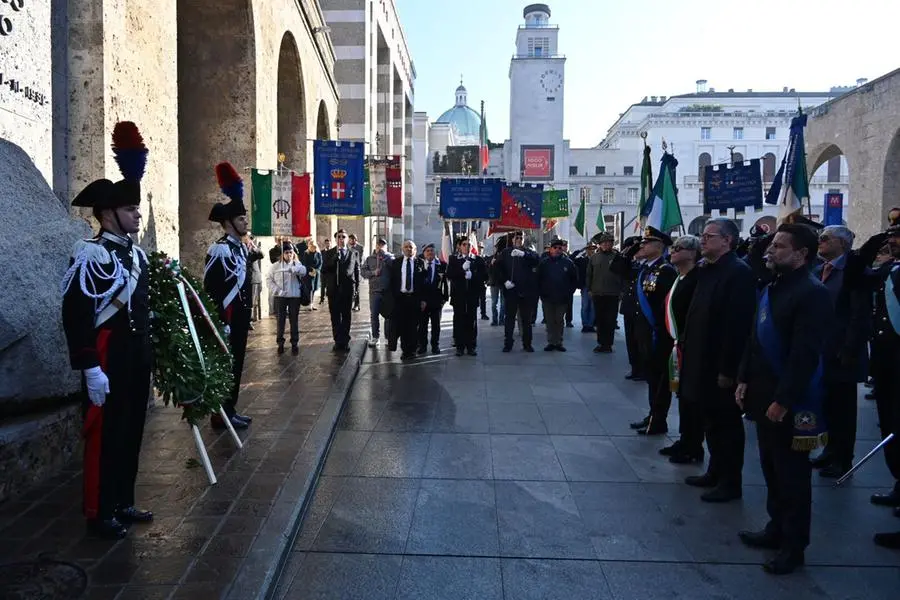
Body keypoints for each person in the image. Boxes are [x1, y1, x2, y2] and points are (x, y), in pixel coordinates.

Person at [61, 121, 153, 539]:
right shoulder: (90, 254)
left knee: (131, 429)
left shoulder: (137, 257)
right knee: (105, 435)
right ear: (107, 214)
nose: (138, 215)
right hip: (107, 354)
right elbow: (77, 313)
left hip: (134, 356)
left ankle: (122, 499)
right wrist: (89, 366)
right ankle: (99, 511)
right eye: (131, 210)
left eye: (137, 209)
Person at [736, 223, 832, 575]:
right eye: (772, 245)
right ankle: (775, 527)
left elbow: (804, 355)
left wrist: (784, 399)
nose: (770, 251)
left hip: (789, 399)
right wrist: (744, 377)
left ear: (801, 254)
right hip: (762, 392)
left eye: (779, 246)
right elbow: (755, 338)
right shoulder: (774, 285)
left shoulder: (812, 293)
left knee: (792, 476)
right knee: (770, 467)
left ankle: (794, 545)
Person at [680, 217, 757, 503]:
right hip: (699, 358)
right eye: (702, 235)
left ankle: (730, 481)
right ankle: (714, 470)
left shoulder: (738, 273)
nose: (703, 240)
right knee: (710, 420)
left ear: (727, 240)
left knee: (726, 425)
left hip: (719, 364)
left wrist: (728, 370)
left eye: (710, 236)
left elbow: (737, 326)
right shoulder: (707, 270)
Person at [808, 226, 870, 478]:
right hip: (822, 350)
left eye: (825, 239)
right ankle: (830, 450)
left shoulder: (854, 272)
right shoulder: (819, 270)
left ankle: (843, 458)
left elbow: (859, 316)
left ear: (842, 244)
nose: (820, 242)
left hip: (842, 351)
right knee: (827, 404)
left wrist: (849, 349)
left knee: (843, 408)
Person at [204, 162, 262, 431]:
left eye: (245, 218)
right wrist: (220, 320)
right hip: (226, 318)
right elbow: (213, 287)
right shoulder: (220, 250)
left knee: (236, 365)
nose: (245, 222)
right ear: (227, 223)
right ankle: (221, 413)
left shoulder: (239, 249)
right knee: (226, 365)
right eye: (241, 219)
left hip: (239, 318)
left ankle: (230, 409)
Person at [857, 225, 900, 545]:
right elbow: (857, 276)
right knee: (891, 425)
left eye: (898, 236)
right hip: (887, 366)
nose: (893, 241)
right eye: (892, 235)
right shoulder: (889, 269)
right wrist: (873, 243)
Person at [659, 235, 704, 464]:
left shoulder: (697, 279)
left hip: (690, 345)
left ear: (692, 253)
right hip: (678, 343)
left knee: (691, 397)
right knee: (682, 395)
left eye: (679, 248)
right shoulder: (681, 277)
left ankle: (693, 445)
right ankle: (686, 439)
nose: (673, 251)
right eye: (673, 247)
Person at [631, 227, 678, 435]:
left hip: (657, 333)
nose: (642, 246)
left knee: (659, 380)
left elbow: (665, 305)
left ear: (658, 247)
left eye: (646, 243)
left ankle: (659, 420)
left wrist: (659, 329)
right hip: (645, 330)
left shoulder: (665, 271)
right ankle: (652, 415)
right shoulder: (647, 269)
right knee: (651, 377)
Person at [497, 231, 540, 352]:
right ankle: (508, 343)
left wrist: (523, 254)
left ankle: (527, 344)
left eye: (521, 237)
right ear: (512, 239)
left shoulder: (528, 252)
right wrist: (504, 281)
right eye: (517, 237)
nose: (519, 239)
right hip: (511, 291)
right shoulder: (505, 253)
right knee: (509, 319)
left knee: (526, 320)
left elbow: (537, 260)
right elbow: (497, 269)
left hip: (525, 292)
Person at [447, 235, 487, 356]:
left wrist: (473, 275)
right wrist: (461, 270)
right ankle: (459, 346)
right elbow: (449, 275)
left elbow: (484, 276)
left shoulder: (478, 260)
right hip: (458, 296)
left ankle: (471, 345)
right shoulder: (454, 259)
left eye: (469, 245)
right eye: (464, 244)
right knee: (458, 321)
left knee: (471, 321)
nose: (467, 247)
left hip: (471, 296)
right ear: (459, 246)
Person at [587, 232, 626, 353]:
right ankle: (601, 342)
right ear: (600, 244)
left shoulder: (617, 257)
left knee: (610, 320)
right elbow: (589, 274)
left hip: (613, 293)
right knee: (600, 320)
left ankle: (608, 344)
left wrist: (622, 290)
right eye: (604, 243)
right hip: (598, 293)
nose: (606, 245)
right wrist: (589, 289)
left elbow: (623, 275)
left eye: (609, 242)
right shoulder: (594, 257)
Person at [321, 229, 359, 351]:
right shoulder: (329, 253)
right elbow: (324, 270)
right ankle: (338, 340)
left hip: (347, 290)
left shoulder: (353, 253)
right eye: (339, 237)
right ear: (335, 239)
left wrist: (356, 289)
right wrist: (333, 260)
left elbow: (355, 271)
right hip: (333, 290)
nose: (341, 239)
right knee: (335, 316)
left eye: (343, 237)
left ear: (347, 239)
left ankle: (345, 340)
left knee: (346, 316)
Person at [267, 240, 308, 355]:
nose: (289, 255)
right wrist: (278, 291)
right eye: (286, 252)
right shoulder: (275, 266)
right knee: (280, 320)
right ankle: (280, 342)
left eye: (291, 252)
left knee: (294, 320)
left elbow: (304, 271)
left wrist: (294, 269)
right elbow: (269, 280)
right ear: (282, 254)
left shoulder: (297, 264)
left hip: (294, 296)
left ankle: (294, 342)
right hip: (281, 297)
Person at [538, 239, 578, 351]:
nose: (557, 250)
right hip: (548, 297)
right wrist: (541, 293)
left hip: (562, 298)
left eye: (559, 248)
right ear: (550, 249)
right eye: (554, 247)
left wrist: (569, 292)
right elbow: (538, 279)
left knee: (559, 320)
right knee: (550, 321)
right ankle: (551, 341)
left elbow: (574, 280)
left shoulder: (568, 263)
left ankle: (559, 342)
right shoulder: (544, 263)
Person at [389, 240, 426, 360]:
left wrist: (423, 299)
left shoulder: (420, 263)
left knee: (414, 326)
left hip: (415, 298)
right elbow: (392, 281)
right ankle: (405, 350)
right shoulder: (396, 263)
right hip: (401, 299)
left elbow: (424, 283)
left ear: (415, 250)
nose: (408, 249)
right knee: (403, 326)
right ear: (402, 249)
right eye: (406, 247)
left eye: (411, 247)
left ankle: (413, 349)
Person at [360, 238, 393, 347]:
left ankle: (388, 338)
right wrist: (373, 272)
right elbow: (363, 272)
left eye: (382, 245)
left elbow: (394, 269)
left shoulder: (390, 257)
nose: (380, 247)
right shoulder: (369, 259)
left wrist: (385, 258)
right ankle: (375, 337)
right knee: (374, 314)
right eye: (379, 245)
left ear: (386, 246)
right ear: (376, 246)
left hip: (387, 291)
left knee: (388, 315)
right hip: (374, 291)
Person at [419, 243, 448, 354]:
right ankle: (422, 346)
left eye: (431, 250)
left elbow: (446, 284)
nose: (430, 253)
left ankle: (435, 345)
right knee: (422, 326)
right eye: (427, 251)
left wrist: (443, 300)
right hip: (423, 302)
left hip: (436, 301)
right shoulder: (419, 265)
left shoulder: (442, 265)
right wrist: (420, 300)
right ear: (424, 253)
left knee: (436, 326)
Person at [573, 244, 596, 333]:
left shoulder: (597, 259)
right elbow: (572, 258)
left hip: (595, 286)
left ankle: (590, 325)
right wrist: (580, 250)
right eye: (589, 249)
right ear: (586, 250)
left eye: (593, 249)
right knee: (585, 306)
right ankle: (585, 324)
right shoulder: (582, 260)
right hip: (585, 286)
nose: (591, 251)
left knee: (593, 307)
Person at [488, 236, 508, 326]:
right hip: (494, 282)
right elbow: (488, 271)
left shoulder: (505, 257)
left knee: (502, 303)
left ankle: (501, 319)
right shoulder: (492, 258)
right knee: (494, 302)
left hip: (502, 282)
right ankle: (495, 319)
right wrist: (491, 264)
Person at [303, 239, 323, 311]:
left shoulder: (318, 254)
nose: (312, 246)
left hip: (316, 274)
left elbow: (320, 263)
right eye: (310, 245)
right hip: (308, 273)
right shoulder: (306, 253)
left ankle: (311, 303)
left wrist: (316, 270)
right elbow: (305, 263)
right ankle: (310, 304)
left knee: (314, 289)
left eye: (313, 245)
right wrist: (311, 270)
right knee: (310, 289)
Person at [348, 233, 363, 311]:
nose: (351, 241)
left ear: (355, 239)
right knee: (351, 287)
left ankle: (357, 304)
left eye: (353, 239)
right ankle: (350, 303)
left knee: (357, 287)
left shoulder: (360, 248)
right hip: (349, 270)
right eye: (350, 239)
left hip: (356, 269)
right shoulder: (347, 247)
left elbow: (359, 260)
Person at [319, 237, 332, 305]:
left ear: (330, 243)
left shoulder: (333, 252)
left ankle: (330, 298)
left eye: (329, 243)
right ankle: (322, 299)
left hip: (330, 272)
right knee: (322, 286)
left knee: (330, 286)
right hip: (323, 272)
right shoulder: (322, 252)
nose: (328, 244)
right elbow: (321, 261)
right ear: (325, 244)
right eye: (326, 243)